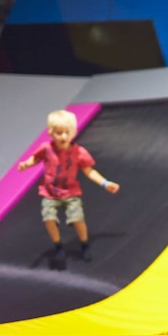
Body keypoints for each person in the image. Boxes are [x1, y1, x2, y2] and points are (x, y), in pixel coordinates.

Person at [18, 109, 119, 269]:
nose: (63, 137)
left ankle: (84, 244)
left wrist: (105, 183)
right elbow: (35, 158)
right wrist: (26, 164)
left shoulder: (79, 152)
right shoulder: (46, 148)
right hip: (50, 192)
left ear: (73, 133)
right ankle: (58, 246)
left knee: (78, 219)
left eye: (67, 132)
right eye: (59, 133)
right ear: (51, 133)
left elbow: (89, 171)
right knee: (48, 219)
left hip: (71, 193)